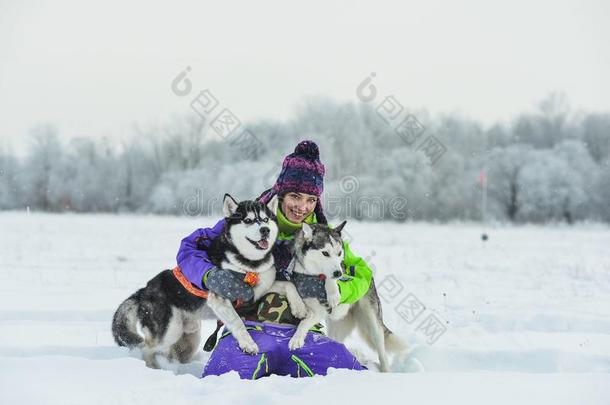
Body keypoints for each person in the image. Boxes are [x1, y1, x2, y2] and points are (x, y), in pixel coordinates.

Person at [175, 140, 373, 378]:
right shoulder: (247, 220)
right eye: (295, 196)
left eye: (311, 200)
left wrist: (338, 289)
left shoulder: (322, 236)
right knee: (221, 380)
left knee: (354, 378)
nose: (302, 207)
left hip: (303, 334)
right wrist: (210, 276)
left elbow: (361, 272)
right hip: (249, 329)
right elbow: (190, 247)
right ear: (281, 192)